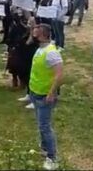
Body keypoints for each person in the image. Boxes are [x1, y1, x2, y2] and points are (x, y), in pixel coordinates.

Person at [28, 24, 64, 170]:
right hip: (35, 92)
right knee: (40, 124)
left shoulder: (51, 52)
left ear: (43, 35)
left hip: (44, 96)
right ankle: (44, 149)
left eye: (36, 33)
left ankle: (52, 157)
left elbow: (59, 74)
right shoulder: (40, 48)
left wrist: (51, 93)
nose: (34, 36)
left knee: (45, 127)